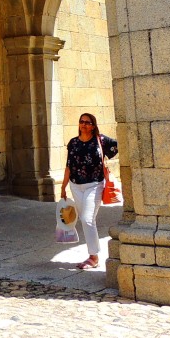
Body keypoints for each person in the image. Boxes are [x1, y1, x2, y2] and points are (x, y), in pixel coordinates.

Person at [59, 112, 118, 270]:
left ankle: (93, 257)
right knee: (86, 220)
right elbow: (68, 166)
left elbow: (119, 146)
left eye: (87, 122)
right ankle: (93, 255)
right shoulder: (73, 143)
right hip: (75, 185)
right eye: (81, 122)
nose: (84, 124)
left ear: (93, 126)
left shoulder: (101, 140)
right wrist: (63, 186)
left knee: (87, 219)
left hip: (94, 185)